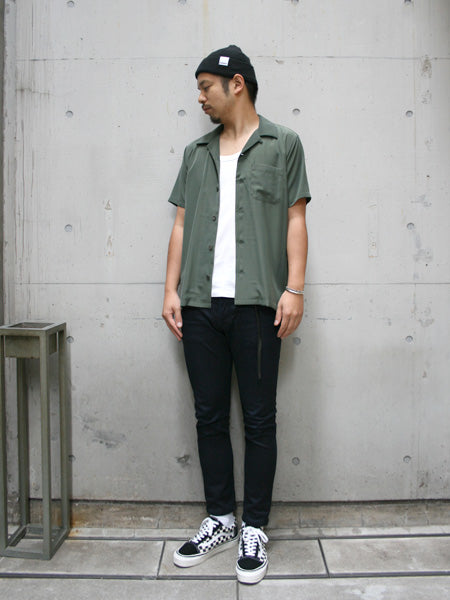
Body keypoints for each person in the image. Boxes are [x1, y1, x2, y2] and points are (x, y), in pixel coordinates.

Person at [162, 45, 311, 585]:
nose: (200, 98)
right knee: (208, 416)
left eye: (206, 87)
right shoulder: (196, 152)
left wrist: (294, 289)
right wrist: (170, 289)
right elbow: (181, 225)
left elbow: (295, 219)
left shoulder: (283, 144)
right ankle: (221, 519)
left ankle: (255, 528)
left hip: (258, 304)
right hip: (200, 304)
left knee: (258, 418)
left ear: (237, 84)